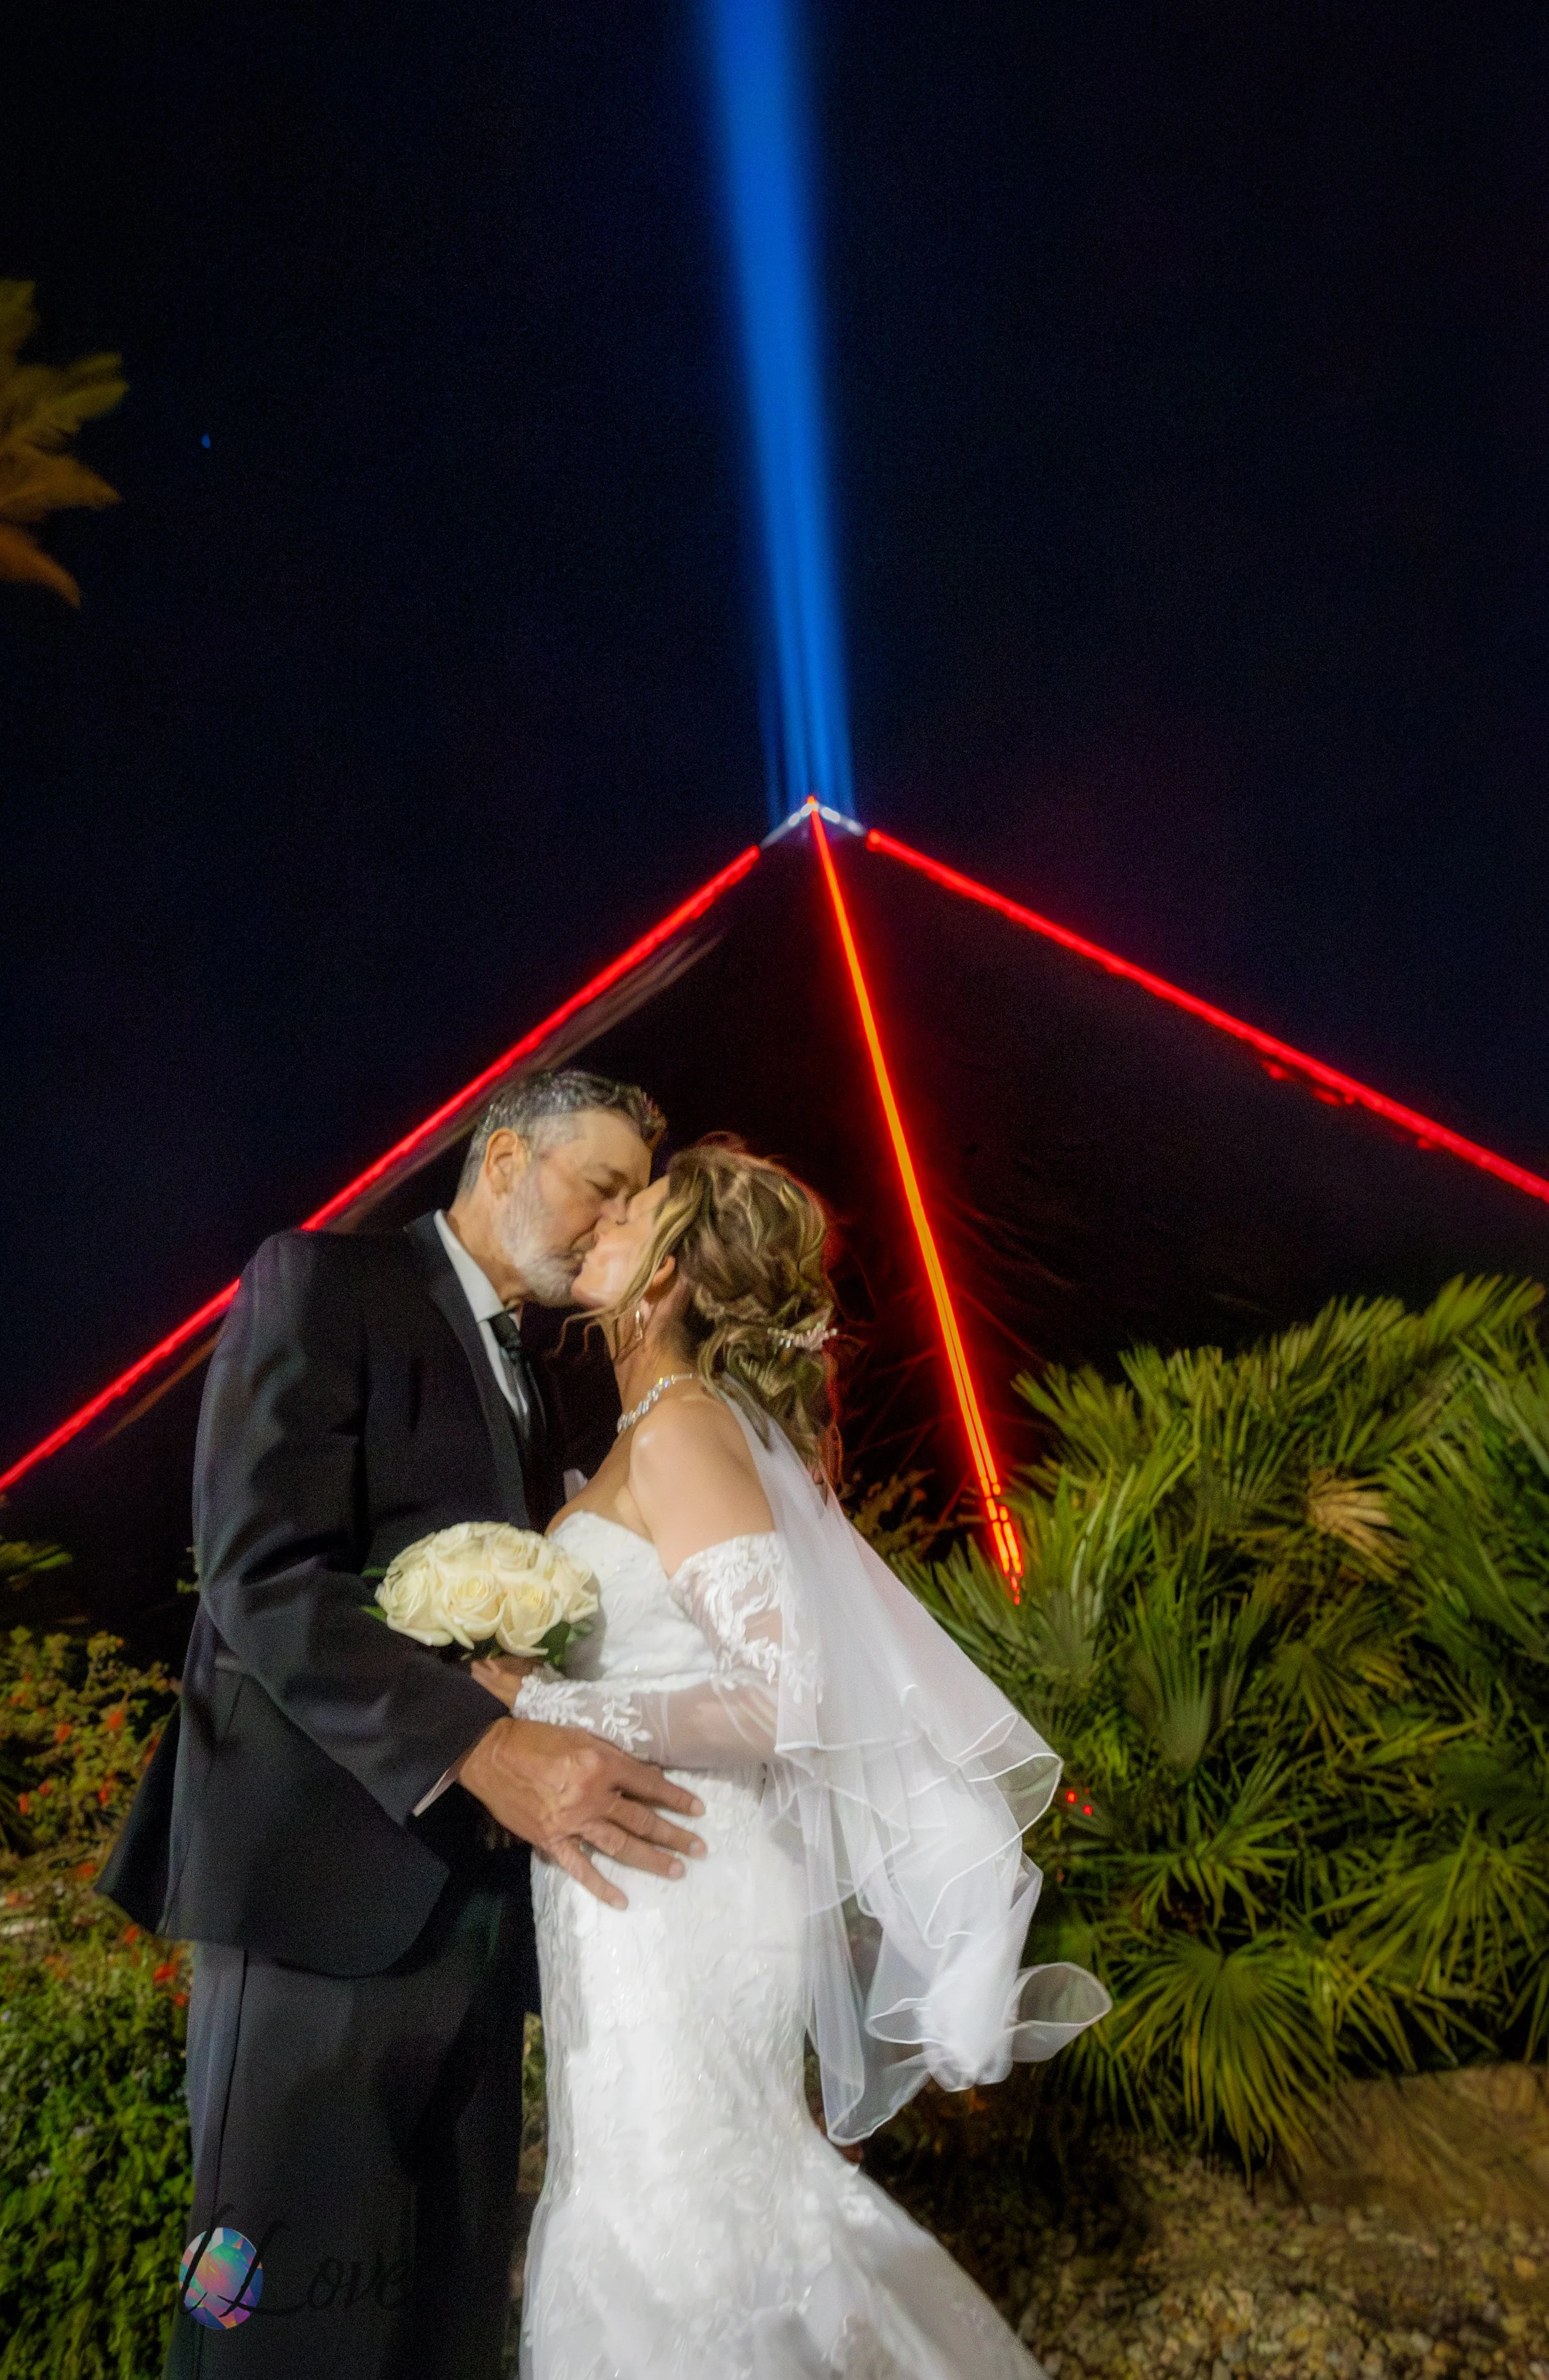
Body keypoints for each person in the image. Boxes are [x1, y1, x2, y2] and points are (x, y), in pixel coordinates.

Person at [99, 1069, 708, 2380]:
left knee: (439, 2311)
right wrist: (486, 1749)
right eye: (599, 1188)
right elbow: (259, 1573)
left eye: (630, 1205)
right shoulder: (321, 1283)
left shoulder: (536, 1377)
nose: (614, 1225)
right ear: (501, 1161)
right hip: (315, 1906)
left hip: (478, 1925)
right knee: (270, 2316)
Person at [470, 1140, 1112, 2380]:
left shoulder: (681, 1434)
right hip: (634, 1887)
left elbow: (783, 1696)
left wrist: (559, 1711)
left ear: (660, 1282)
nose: (596, 1222)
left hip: (686, 1888)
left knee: (685, 2236)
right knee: (649, 2215)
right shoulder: (650, 1432)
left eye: (628, 1210)